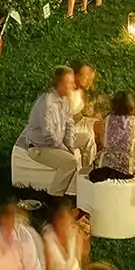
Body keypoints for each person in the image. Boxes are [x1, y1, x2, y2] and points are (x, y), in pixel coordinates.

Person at [16, 69, 82, 197]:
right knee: (70, 162)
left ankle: (84, 181)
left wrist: (70, 143)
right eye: (70, 83)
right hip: (41, 147)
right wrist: (66, 150)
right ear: (60, 84)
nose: (74, 86)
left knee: (87, 139)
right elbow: (49, 136)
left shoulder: (64, 100)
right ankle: (54, 195)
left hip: (59, 140)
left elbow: (70, 123)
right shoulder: (47, 103)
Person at [90, 91, 135, 180]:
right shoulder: (134, 122)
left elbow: (103, 143)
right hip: (126, 171)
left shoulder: (107, 119)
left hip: (104, 169)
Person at [41, 199, 91, 270]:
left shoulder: (74, 232)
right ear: (56, 220)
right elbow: (46, 269)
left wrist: (85, 239)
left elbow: (83, 257)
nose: (65, 225)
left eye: (67, 220)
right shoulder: (48, 237)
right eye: (61, 220)